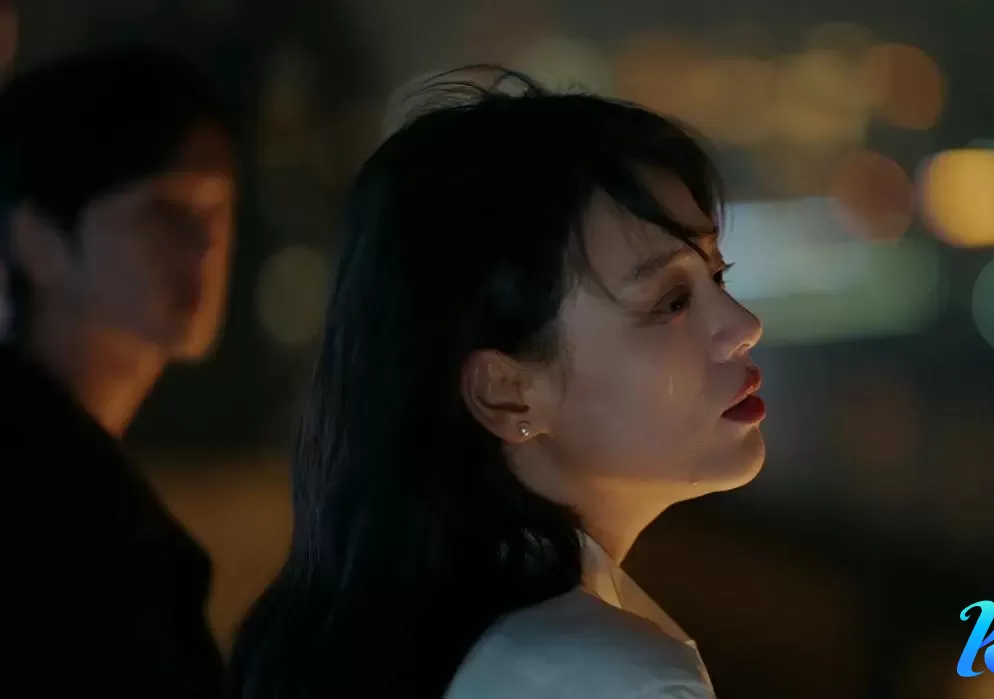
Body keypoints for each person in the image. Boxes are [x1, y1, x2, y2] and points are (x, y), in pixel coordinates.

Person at [229, 68, 766, 698]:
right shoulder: (609, 678)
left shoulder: (370, 636)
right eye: (672, 301)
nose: (744, 326)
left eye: (717, 277)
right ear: (504, 392)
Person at [0, 45, 237, 696]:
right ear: (38, 239)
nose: (206, 245)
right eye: (165, 209)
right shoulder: (45, 509)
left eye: (217, 211)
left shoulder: (81, 480)